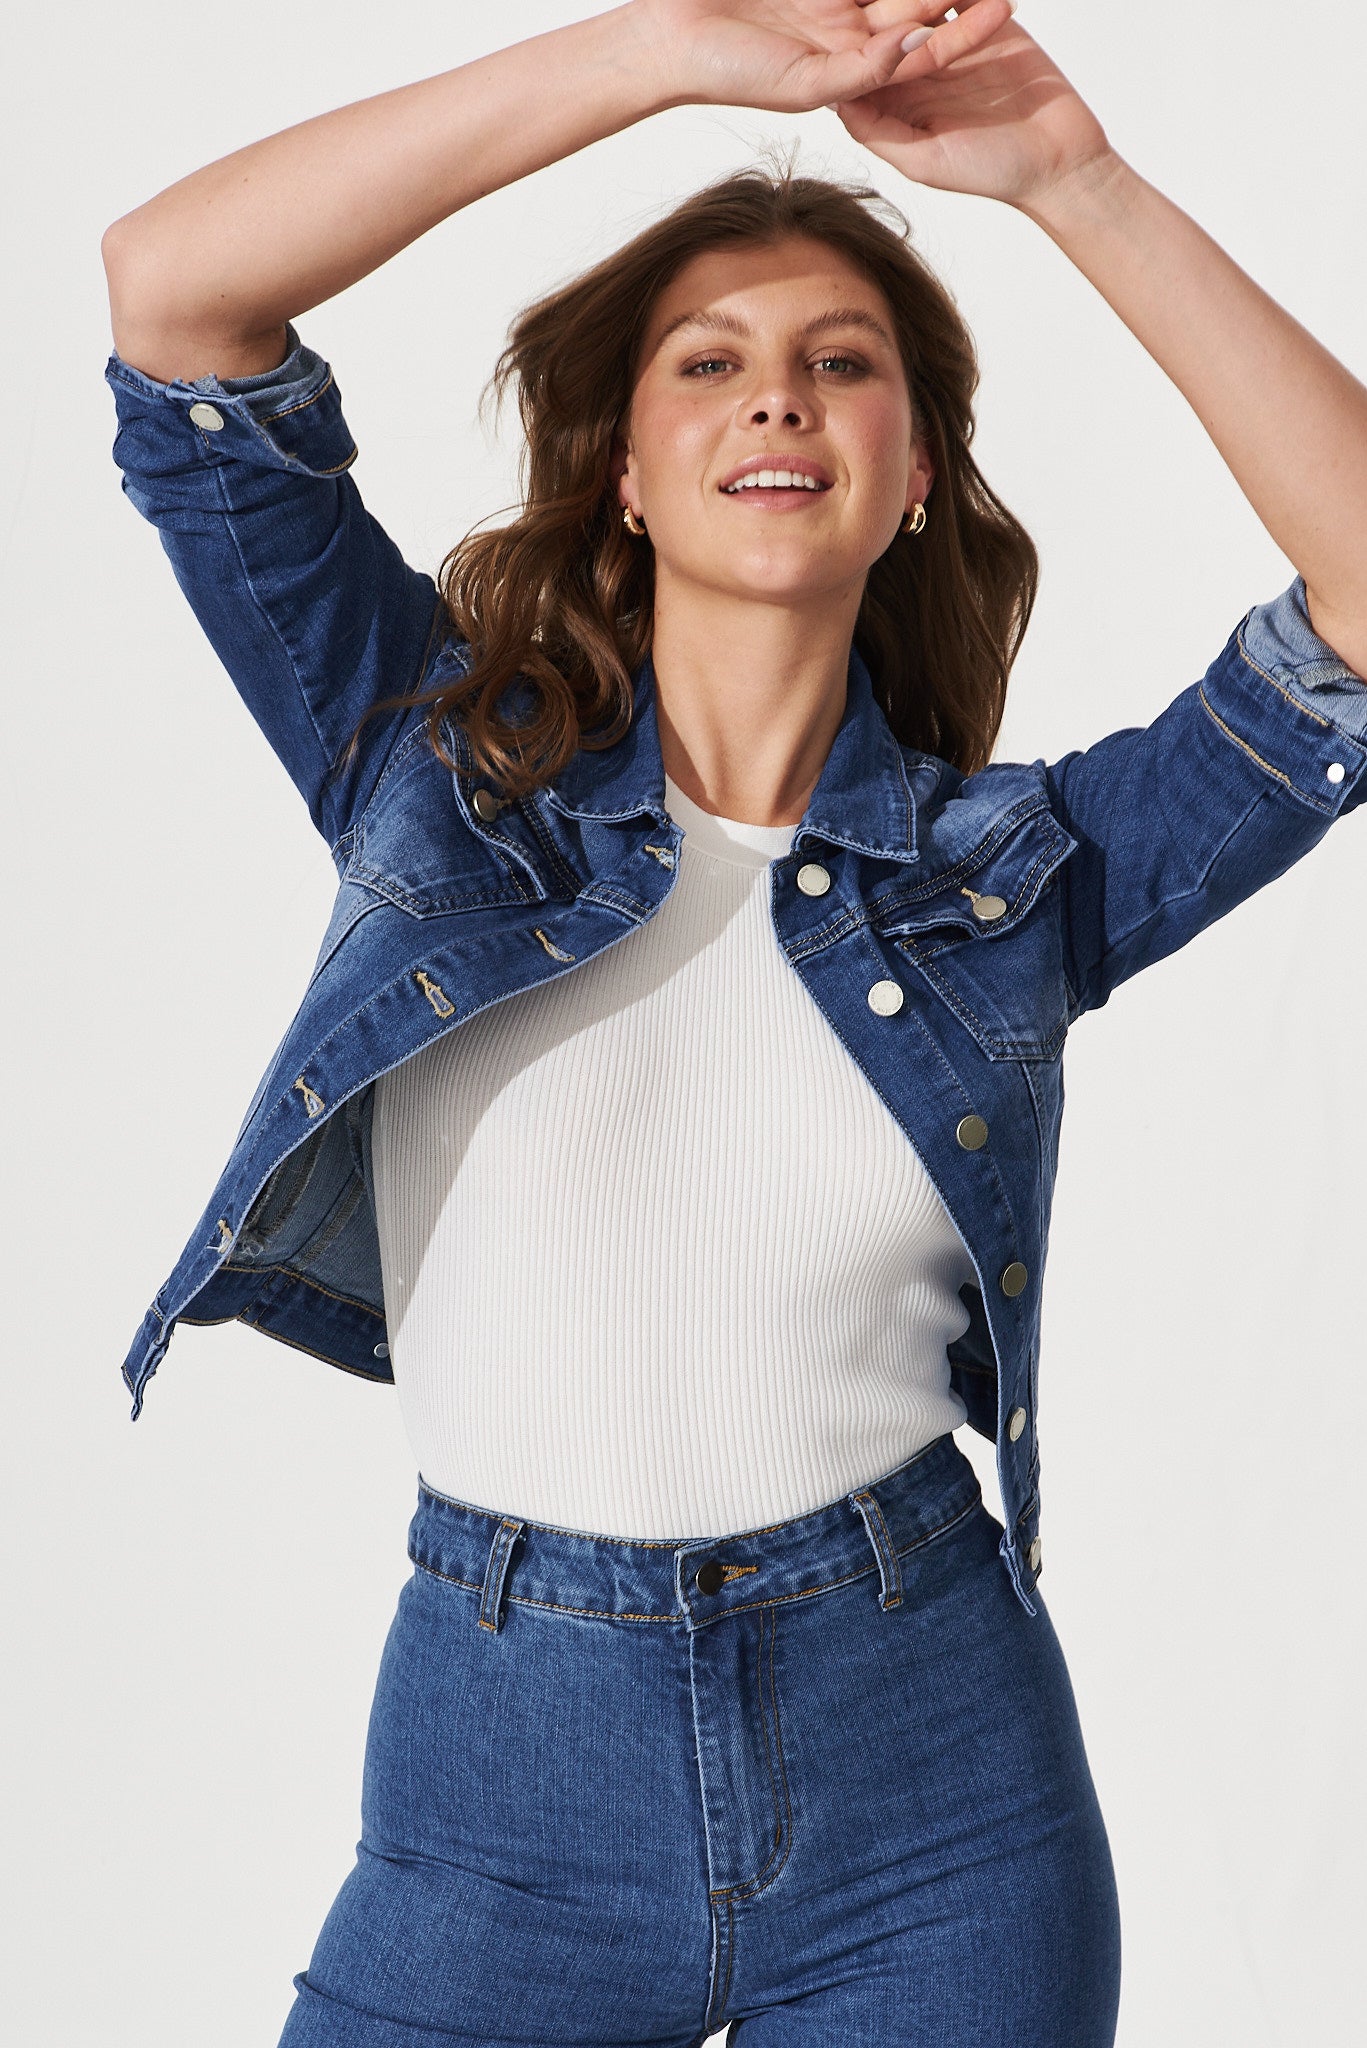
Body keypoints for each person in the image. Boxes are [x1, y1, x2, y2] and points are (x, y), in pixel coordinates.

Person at [99, 3, 1367, 2042]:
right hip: (498, 1789)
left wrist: (1074, 178)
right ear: (624, 471)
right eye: (708, 361)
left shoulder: (1011, 881)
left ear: (915, 475)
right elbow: (176, 296)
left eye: (841, 362)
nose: (778, 392)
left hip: (933, 1795)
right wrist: (665, 54)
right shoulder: (440, 781)